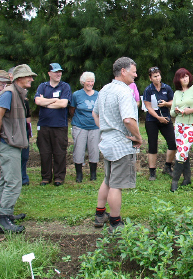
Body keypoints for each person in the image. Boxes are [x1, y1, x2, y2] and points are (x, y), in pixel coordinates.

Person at [92, 57, 142, 232]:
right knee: (116, 184)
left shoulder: (104, 89)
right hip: (121, 145)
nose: (136, 75)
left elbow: (95, 114)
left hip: (106, 143)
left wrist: (106, 129)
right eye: (133, 71)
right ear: (123, 71)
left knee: (107, 179)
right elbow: (128, 119)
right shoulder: (124, 92)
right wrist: (138, 137)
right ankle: (115, 222)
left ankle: (100, 215)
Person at [0, 64, 37, 233]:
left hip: (12, 143)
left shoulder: (18, 94)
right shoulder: (8, 94)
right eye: (28, 76)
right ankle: (4, 219)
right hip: (8, 144)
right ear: (19, 78)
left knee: (5, 179)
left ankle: (2, 211)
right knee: (14, 182)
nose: (31, 79)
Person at [34, 63, 72, 186]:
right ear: (49, 73)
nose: (58, 74)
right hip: (44, 125)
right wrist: (54, 100)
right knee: (44, 152)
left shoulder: (65, 86)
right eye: (55, 72)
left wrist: (45, 102)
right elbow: (37, 101)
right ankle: (45, 177)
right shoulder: (42, 86)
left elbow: (63, 104)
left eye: (60, 71)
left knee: (59, 152)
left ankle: (59, 177)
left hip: (59, 125)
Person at [169, 68, 193, 192]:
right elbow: (172, 112)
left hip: (191, 124)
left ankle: (174, 181)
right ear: (178, 79)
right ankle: (187, 178)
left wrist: (191, 110)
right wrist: (177, 111)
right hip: (179, 125)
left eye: (187, 76)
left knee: (182, 152)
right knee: (184, 151)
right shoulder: (176, 93)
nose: (185, 79)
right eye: (182, 77)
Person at [142, 66, 176, 180]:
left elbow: (173, 102)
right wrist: (158, 117)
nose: (157, 78)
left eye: (159, 76)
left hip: (166, 119)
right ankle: (152, 171)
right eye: (155, 76)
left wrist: (166, 104)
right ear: (150, 78)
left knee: (172, 143)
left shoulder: (167, 88)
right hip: (152, 120)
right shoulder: (148, 90)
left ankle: (167, 166)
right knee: (152, 145)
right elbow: (148, 107)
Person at [69, 72, 99, 183]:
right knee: (79, 149)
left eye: (92, 81)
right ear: (83, 82)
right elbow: (72, 109)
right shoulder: (76, 95)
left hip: (94, 126)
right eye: (88, 81)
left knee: (94, 149)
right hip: (80, 125)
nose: (90, 83)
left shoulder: (98, 94)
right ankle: (79, 174)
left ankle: (93, 174)